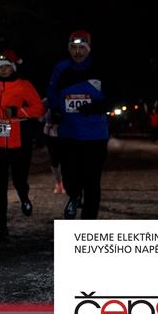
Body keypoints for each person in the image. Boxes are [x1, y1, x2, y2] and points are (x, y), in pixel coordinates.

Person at [47, 30, 109, 219]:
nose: (77, 52)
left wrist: (96, 107)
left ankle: (88, 224)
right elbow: (52, 93)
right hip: (69, 133)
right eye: (73, 47)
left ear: (89, 49)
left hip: (95, 135)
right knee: (70, 178)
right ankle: (74, 195)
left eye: (82, 48)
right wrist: (56, 110)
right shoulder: (61, 68)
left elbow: (113, 96)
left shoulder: (100, 67)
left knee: (92, 181)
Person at [0, 50, 45, 241]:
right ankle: (2, 227)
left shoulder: (23, 84)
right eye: (0, 68)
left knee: (19, 180)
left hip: (20, 142)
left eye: (6, 67)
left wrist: (18, 111)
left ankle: (24, 197)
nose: (3, 70)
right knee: (0, 185)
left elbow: (38, 109)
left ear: (13, 67)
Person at [42, 101, 65, 194]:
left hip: (64, 132)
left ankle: (64, 182)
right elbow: (41, 116)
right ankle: (58, 183)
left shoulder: (65, 98)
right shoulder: (47, 101)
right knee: (54, 159)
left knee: (65, 159)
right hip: (50, 134)